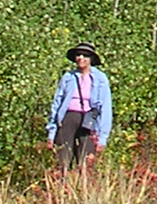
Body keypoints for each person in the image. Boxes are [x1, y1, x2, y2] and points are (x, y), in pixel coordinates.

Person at [46, 42, 112, 171]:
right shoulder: (68, 77)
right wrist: (52, 132)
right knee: (62, 157)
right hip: (68, 118)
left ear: (91, 59)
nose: (81, 58)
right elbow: (57, 103)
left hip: (89, 120)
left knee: (87, 159)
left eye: (85, 55)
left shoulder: (100, 79)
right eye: (78, 55)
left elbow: (105, 108)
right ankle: (63, 181)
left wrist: (102, 137)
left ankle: (84, 182)